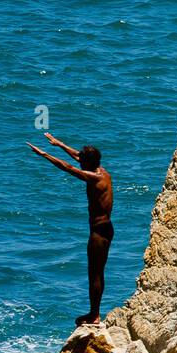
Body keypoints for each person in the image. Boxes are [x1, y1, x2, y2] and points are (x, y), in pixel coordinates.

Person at [28, 131, 114, 325]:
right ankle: (94, 313)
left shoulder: (94, 178)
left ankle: (94, 315)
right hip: (106, 228)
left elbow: (67, 167)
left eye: (82, 162)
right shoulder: (102, 171)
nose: (79, 162)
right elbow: (76, 157)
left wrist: (44, 154)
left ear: (87, 164)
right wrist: (59, 144)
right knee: (98, 271)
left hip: (99, 233)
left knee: (95, 273)